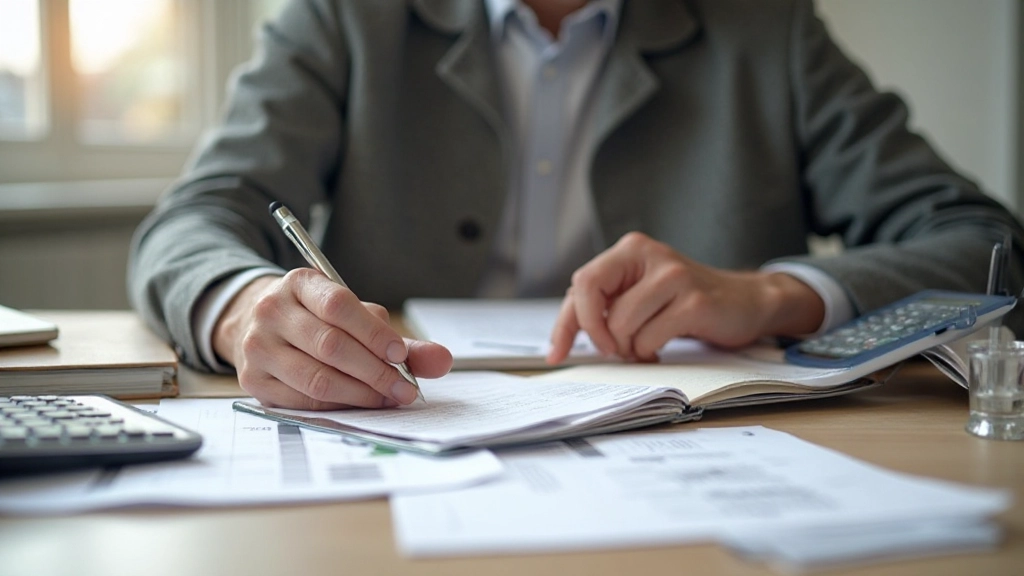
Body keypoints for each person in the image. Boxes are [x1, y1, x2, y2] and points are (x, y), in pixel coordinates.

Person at [128, 0, 1024, 411]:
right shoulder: (344, 18)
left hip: (694, 450)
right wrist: (245, 309)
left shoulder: (768, 29)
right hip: (408, 434)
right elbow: (194, 219)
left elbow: (989, 245)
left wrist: (775, 293)